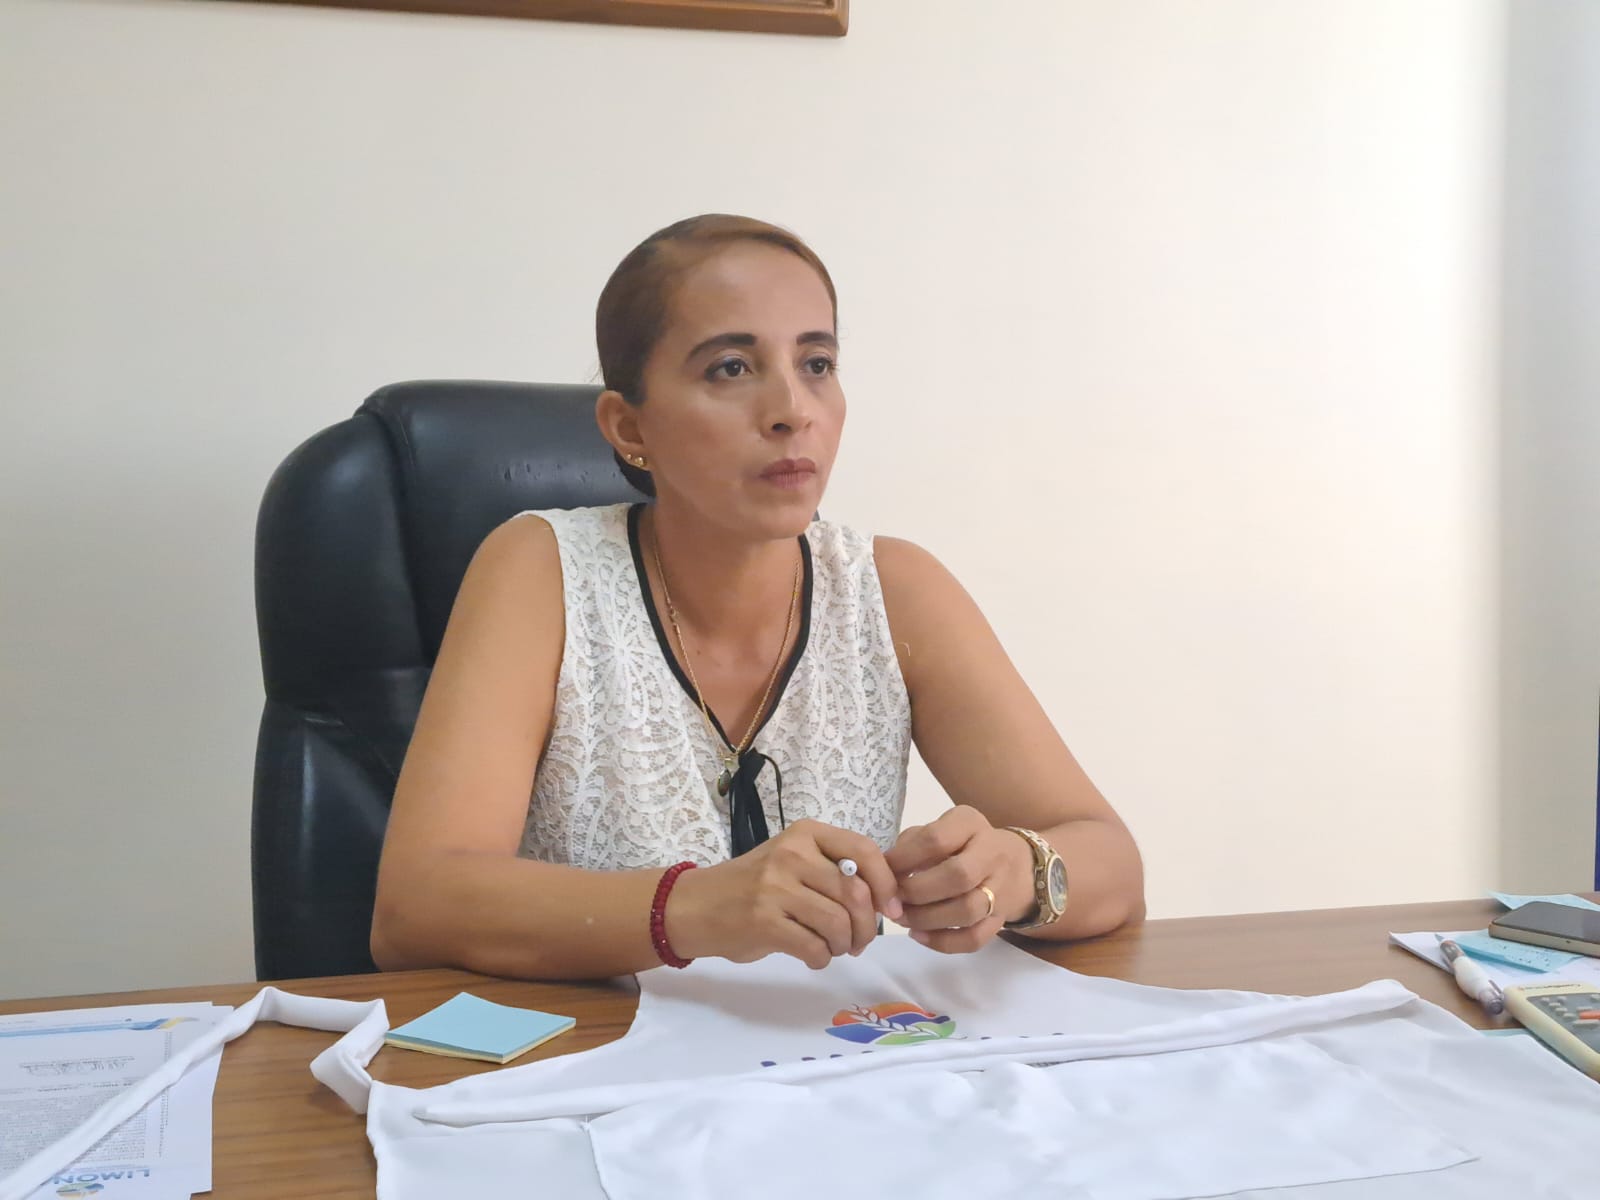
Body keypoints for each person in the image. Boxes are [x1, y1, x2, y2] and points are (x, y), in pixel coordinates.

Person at [370, 215, 1144, 981]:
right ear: (629, 426)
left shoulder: (895, 589)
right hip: (600, 1050)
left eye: (817, 363)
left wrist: (1016, 871)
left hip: (833, 1048)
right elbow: (415, 908)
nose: (792, 410)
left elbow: (1112, 867)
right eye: (731, 368)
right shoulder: (540, 571)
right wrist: (692, 908)